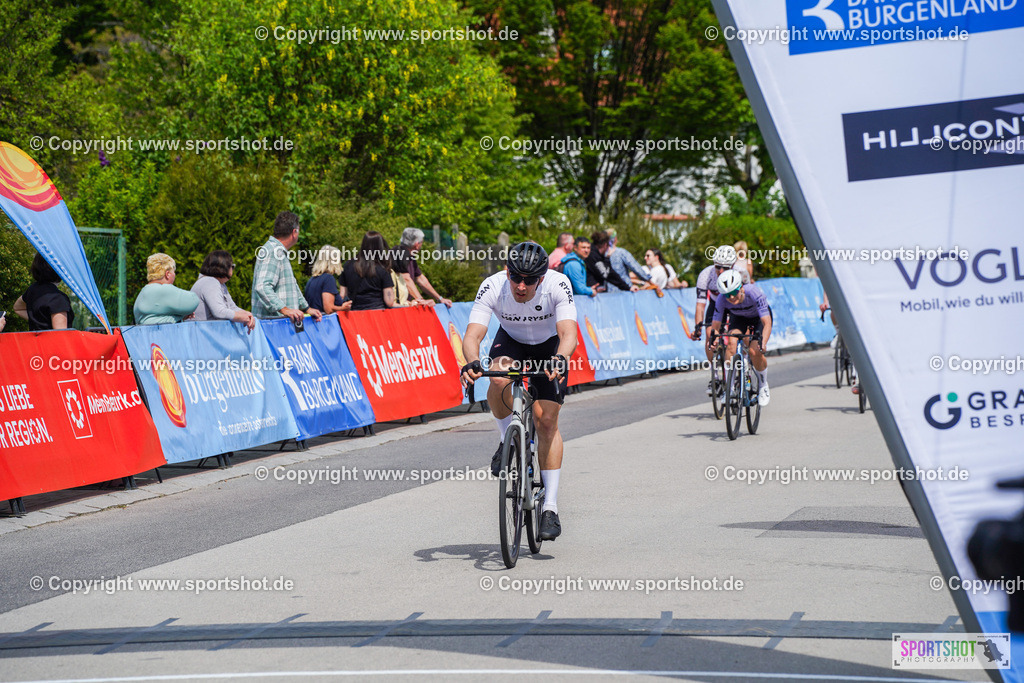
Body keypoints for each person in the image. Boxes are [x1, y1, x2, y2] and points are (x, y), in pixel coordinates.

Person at [461, 242, 577, 541]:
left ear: (542, 277)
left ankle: (549, 506)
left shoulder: (557, 284)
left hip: (549, 346)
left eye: (529, 280)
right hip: (511, 341)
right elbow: (473, 333)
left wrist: (560, 359)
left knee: (546, 420)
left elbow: (568, 333)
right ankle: (506, 440)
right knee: (498, 376)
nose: (521, 286)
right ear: (507, 272)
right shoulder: (493, 286)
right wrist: (472, 361)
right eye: (516, 278)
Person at [691, 246, 752, 389]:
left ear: (732, 265)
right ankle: (716, 376)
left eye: (725, 268)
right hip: (716, 304)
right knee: (709, 334)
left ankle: (746, 366)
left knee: (745, 335)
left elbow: (748, 299)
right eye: (718, 267)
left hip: (737, 305)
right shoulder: (706, 275)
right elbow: (700, 305)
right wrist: (698, 326)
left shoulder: (742, 273)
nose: (721, 271)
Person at [710, 269, 772, 407]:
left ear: (741, 287)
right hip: (739, 318)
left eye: (733, 292)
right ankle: (729, 389)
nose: (731, 297)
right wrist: (713, 339)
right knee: (731, 343)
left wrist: (763, 343)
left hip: (758, 319)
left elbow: (767, 323)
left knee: (754, 351)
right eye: (727, 295)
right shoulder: (721, 299)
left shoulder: (754, 292)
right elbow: (715, 325)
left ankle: (763, 386)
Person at [252, 211, 323, 324]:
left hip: (279, 325)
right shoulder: (274, 252)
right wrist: (285, 309)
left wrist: (306, 308)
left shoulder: (277, 251)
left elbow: (291, 286)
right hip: (273, 326)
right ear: (294, 232)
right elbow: (262, 287)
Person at [190, 250, 256, 331]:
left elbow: (232, 307)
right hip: (203, 336)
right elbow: (219, 312)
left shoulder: (219, 283)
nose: (233, 269)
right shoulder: (209, 282)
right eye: (232, 266)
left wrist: (248, 315)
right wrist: (241, 317)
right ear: (224, 267)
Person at [392, 227, 453, 307]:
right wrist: (421, 300)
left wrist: (440, 298)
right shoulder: (400, 254)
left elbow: (420, 279)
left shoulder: (410, 255)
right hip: (398, 306)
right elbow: (406, 279)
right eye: (421, 243)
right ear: (417, 245)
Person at [133, 253, 200, 325]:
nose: (174, 275)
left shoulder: (143, 292)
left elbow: (159, 319)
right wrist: (182, 314)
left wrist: (180, 316)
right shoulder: (163, 290)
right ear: (167, 274)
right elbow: (194, 300)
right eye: (173, 272)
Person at [13, 254, 74, 330]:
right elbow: (60, 335)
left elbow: (18, 308)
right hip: (50, 341)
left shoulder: (32, 289)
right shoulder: (58, 298)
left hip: (35, 341)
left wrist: (38, 322)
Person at [340, 232, 397, 311]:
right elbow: (389, 301)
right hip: (377, 313)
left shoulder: (348, 265)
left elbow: (342, 295)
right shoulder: (382, 268)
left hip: (355, 314)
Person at [304, 245, 352, 314]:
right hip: (324, 321)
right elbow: (328, 309)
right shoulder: (328, 279)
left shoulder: (312, 279)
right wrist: (343, 308)